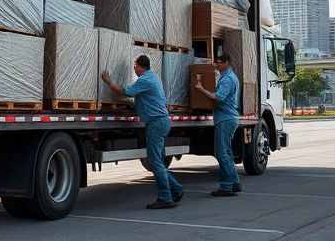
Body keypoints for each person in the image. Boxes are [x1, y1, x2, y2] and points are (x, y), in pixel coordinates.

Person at [102, 55, 183, 209]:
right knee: (158, 160)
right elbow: (144, 98)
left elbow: (125, 91)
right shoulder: (153, 78)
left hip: (156, 123)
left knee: (154, 161)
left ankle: (165, 197)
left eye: (135, 65)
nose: (134, 68)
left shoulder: (145, 80)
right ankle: (177, 189)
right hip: (161, 122)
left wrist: (109, 82)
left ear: (141, 66)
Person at [194, 53, 242, 197]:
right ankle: (234, 183)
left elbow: (219, 98)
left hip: (225, 119)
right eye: (216, 62)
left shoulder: (227, 79)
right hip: (228, 118)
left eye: (220, 62)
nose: (217, 65)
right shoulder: (228, 76)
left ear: (227, 62)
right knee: (226, 152)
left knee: (221, 153)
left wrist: (200, 88)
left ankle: (226, 186)